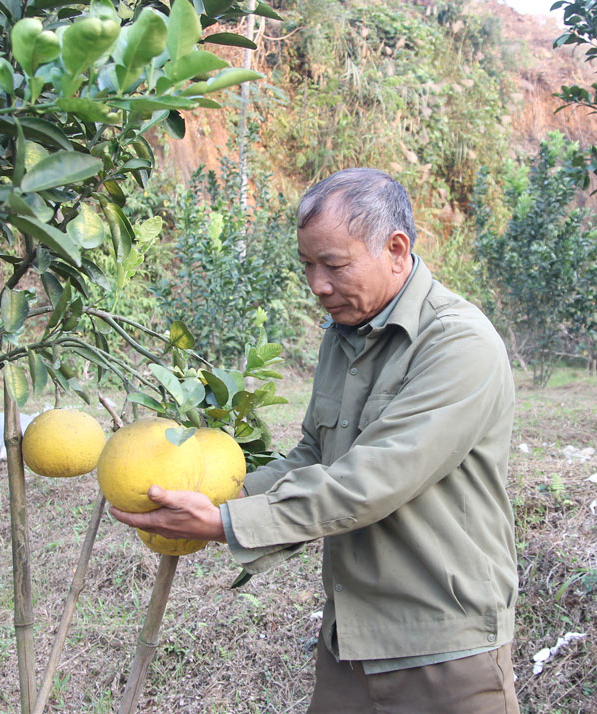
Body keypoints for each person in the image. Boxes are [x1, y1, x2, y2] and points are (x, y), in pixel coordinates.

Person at [110, 168, 520, 714]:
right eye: (307, 264)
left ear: (396, 249)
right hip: (350, 642)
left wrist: (227, 524)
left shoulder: (458, 343)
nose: (317, 285)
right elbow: (312, 456)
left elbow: (374, 479)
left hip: (443, 650)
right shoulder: (344, 334)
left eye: (334, 265)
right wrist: (217, 497)